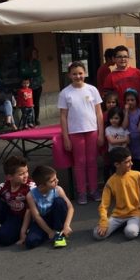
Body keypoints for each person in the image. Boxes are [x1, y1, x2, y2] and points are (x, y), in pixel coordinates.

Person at [58, 61, 105, 205]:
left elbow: (99, 113)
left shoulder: (92, 90)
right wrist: (65, 137)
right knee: (79, 163)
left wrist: (101, 133)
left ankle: (94, 189)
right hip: (75, 132)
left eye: (80, 73)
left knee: (92, 161)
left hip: (92, 131)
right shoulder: (65, 93)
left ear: (84, 73)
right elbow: (63, 117)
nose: (78, 76)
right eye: (74, 74)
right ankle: (82, 192)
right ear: (69, 75)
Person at [93, 147, 140, 241]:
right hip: (118, 215)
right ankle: (123, 225)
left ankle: (130, 225)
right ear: (117, 164)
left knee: (130, 233)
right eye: (127, 162)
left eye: (131, 160)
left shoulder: (138, 176)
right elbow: (103, 205)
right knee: (97, 234)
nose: (131, 163)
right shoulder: (111, 181)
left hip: (135, 214)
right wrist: (103, 222)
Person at [24, 165, 74, 249]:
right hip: (43, 220)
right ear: (41, 186)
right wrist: (49, 232)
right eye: (52, 181)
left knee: (59, 202)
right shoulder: (30, 195)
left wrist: (66, 225)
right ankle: (50, 234)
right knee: (30, 242)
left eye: (56, 178)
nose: (57, 181)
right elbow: (37, 216)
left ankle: (59, 232)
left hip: (56, 218)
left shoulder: (58, 190)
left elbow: (70, 207)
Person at [19, 46, 44, 125]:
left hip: (37, 85)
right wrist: (32, 71)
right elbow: (22, 73)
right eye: (34, 53)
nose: (35, 54)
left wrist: (28, 72)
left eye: (36, 53)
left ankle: (36, 118)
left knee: (36, 102)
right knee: (27, 103)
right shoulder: (23, 62)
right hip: (27, 87)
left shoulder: (37, 62)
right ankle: (28, 120)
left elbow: (38, 73)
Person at [123, 89, 140, 172]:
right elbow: (124, 127)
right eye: (127, 100)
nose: (130, 102)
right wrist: (126, 112)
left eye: (132, 100)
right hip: (129, 142)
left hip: (139, 142)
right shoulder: (124, 113)